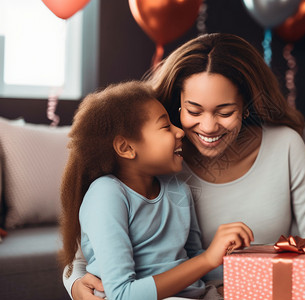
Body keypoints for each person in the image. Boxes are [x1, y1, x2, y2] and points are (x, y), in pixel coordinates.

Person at [64, 33, 305, 300]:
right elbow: (86, 259)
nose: (208, 127)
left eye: (225, 112)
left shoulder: (285, 146)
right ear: (178, 106)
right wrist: (76, 286)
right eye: (194, 111)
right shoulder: (158, 162)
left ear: (245, 105)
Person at [59, 80, 254, 300]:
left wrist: (249, 264)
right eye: (165, 126)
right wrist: (208, 259)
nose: (179, 132)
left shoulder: (178, 188)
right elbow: (122, 295)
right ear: (126, 147)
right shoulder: (106, 195)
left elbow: (193, 258)